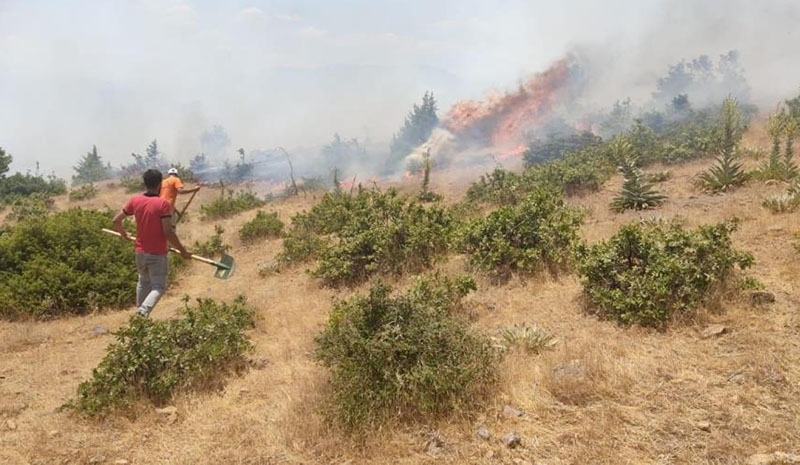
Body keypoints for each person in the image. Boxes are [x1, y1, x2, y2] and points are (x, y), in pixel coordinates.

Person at [113, 169, 192, 317]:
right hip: (156, 253)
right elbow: (168, 232)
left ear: (145, 183)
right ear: (160, 185)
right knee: (158, 287)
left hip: (140, 252)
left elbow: (116, 220)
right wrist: (182, 251)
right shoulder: (162, 204)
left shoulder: (135, 200)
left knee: (143, 282)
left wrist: (124, 234)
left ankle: (139, 318)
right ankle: (143, 311)